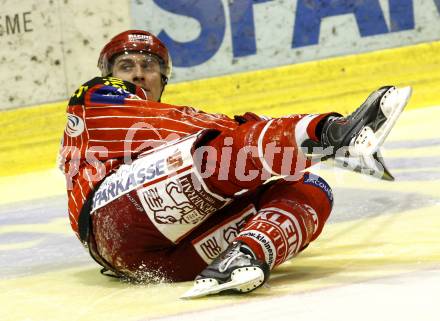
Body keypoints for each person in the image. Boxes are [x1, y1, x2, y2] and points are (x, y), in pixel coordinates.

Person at [59, 30, 412, 299]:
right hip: (113, 221)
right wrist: (292, 135)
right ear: (108, 72)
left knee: (308, 185)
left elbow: (189, 128)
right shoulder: (94, 96)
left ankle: (246, 256)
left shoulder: (173, 127)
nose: (138, 74)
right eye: (126, 66)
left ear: (163, 77)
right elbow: (174, 127)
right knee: (214, 153)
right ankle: (331, 132)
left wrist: (277, 143)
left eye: (148, 66)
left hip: (165, 261)